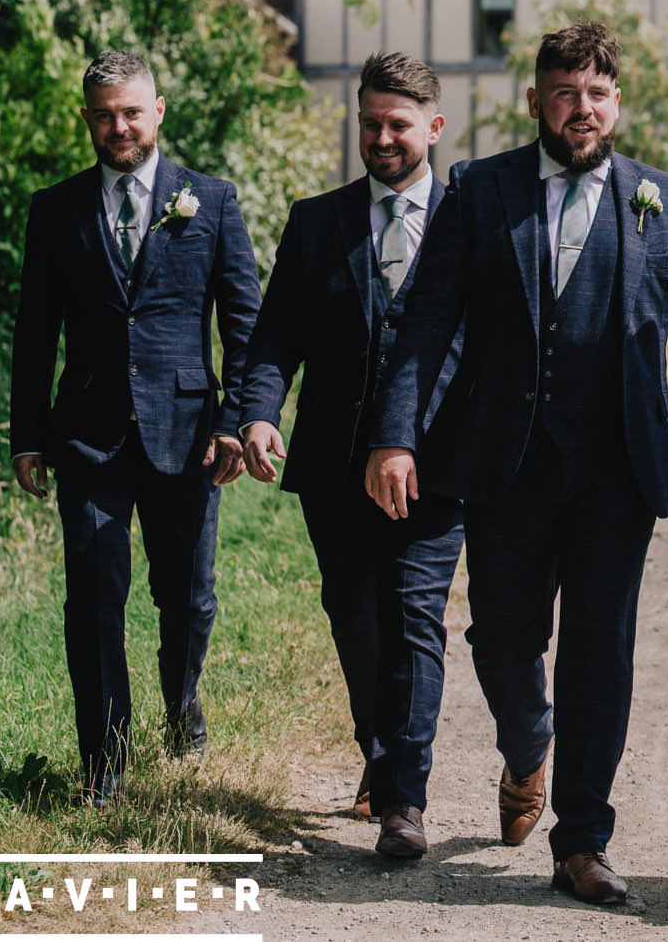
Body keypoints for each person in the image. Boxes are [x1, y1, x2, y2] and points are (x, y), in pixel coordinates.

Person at [366, 23, 668, 906]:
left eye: (596, 93)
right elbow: (427, 321)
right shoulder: (482, 190)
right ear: (536, 101)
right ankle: (528, 740)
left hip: (619, 470)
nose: (581, 109)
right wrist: (396, 435)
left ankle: (583, 838)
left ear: (617, 101)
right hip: (506, 463)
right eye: (564, 92)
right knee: (502, 636)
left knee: (602, 650)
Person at [10, 50, 260, 806]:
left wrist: (235, 422)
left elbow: (245, 324)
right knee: (93, 593)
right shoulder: (55, 209)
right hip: (86, 434)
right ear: (88, 119)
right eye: (103, 113)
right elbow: (33, 331)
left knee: (187, 594)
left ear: (159, 110)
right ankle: (104, 759)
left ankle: (181, 700)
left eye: (130, 111)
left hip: (188, 436)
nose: (117, 125)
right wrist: (27, 435)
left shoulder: (210, 201)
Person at [241, 52, 463, 857]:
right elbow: (274, 337)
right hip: (332, 461)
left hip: (436, 463)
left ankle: (404, 800)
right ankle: (382, 750)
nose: (380, 137)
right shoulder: (316, 221)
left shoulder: (469, 218)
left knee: (413, 617)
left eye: (397, 124)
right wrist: (259, 414)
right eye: (369, 121)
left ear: (434, 127)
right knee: (354, 612)